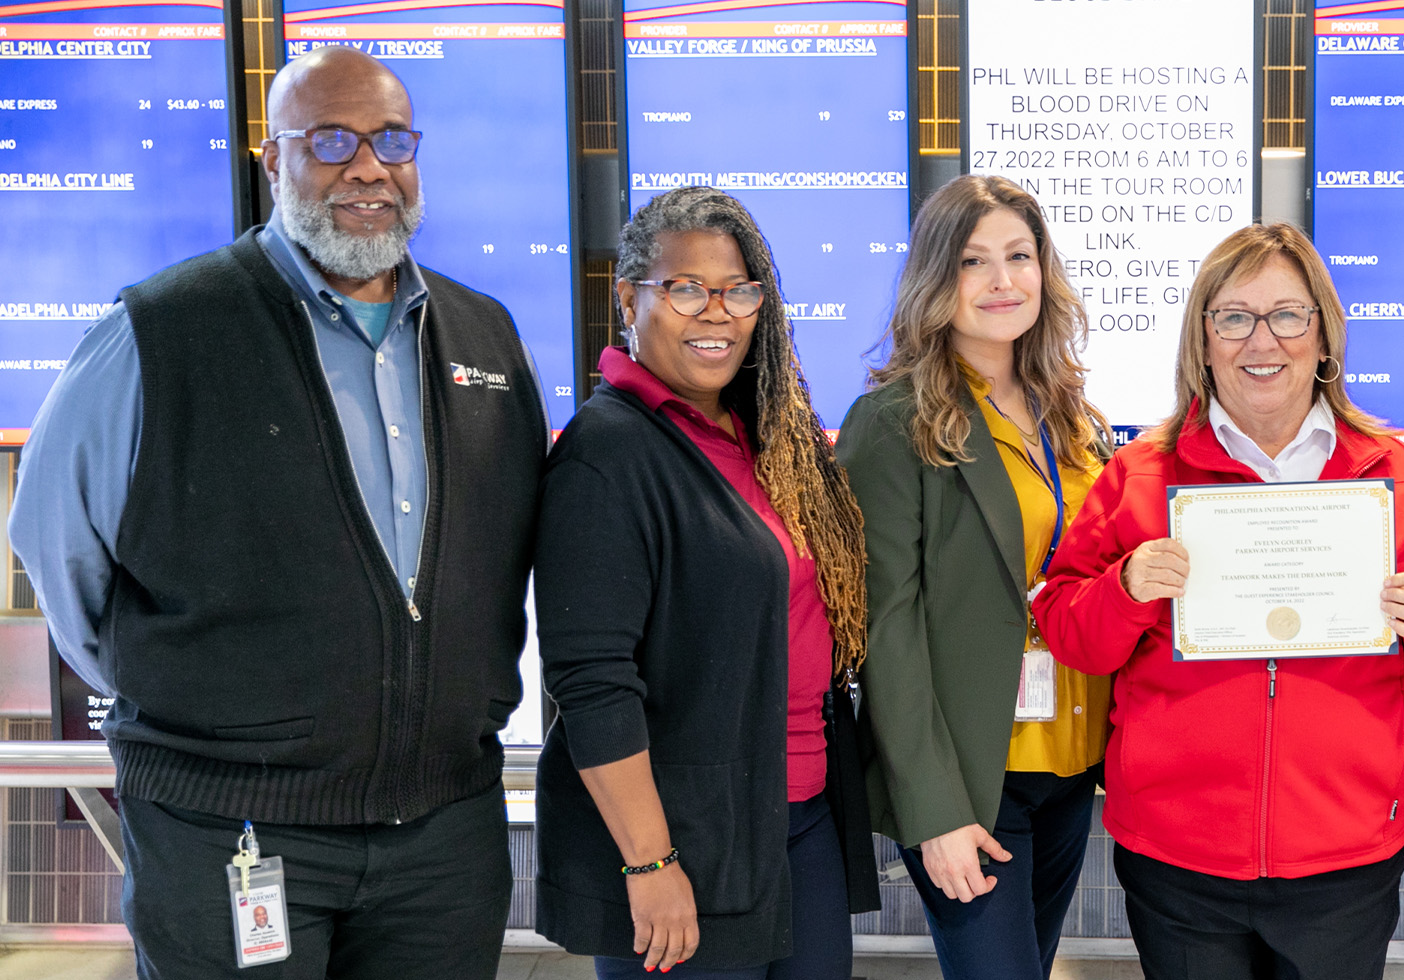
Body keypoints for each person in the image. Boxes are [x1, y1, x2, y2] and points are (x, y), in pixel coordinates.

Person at [6, 45, 544, 979]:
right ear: (272, 160)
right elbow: (62, 556)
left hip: (443, 836)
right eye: (331, 140)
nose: (368, 167)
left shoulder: (484, 334)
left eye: (392, 141)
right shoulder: (159, 331)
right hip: (231, 834)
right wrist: (202, 703)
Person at [1030, 222, 1404, 980]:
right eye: (1234, 317)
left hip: (1343, 856)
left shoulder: (1393, 473)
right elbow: (1071, 633)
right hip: (1178, 857)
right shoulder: (1141, 474)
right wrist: (1124, 590)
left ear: (1322, 336)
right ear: (1204, 341)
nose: (1261, 341)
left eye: (1286, 315)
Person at [530, 186, 880, 977]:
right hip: (684, 839)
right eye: (685, 288)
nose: (716, 313)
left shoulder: (765, 435)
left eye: (738, 291)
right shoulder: (607, 456)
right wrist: (650, 866)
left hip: (800, 815)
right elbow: (593, 685)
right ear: (630, 297)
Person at [836, 175, 1112, 979]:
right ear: (934, 278)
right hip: (970, 780)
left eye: (1019, 256)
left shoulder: (1067, 412)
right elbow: (885, 630)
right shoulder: (894, 423)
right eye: (972, 261)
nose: (1002, 280)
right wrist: (935, 814)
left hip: (1068, 763)